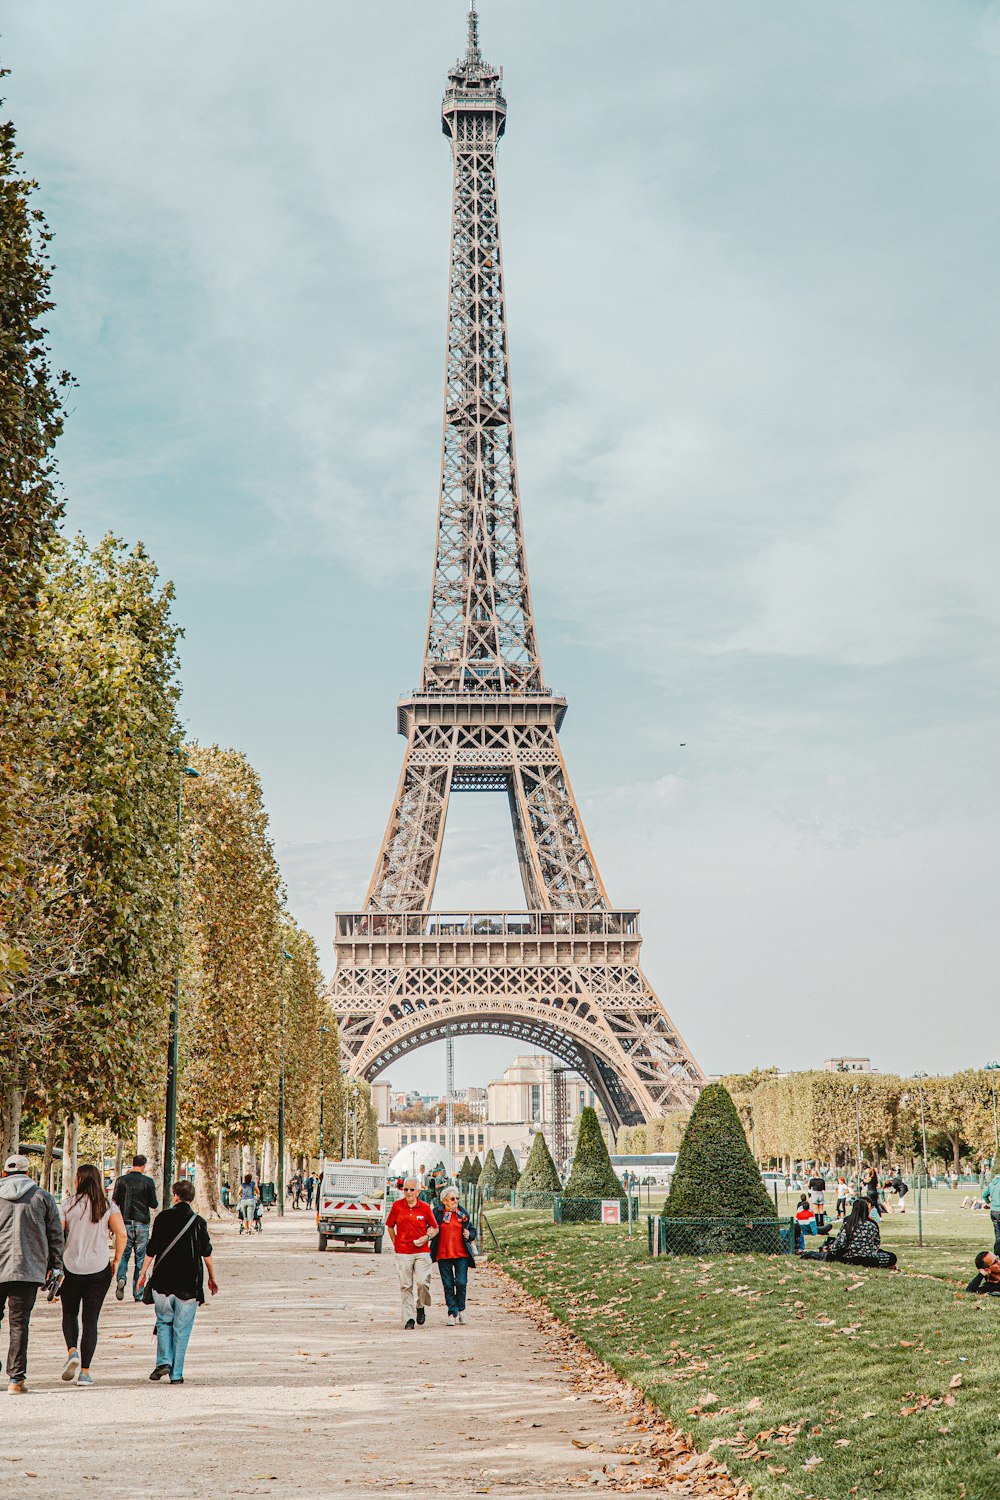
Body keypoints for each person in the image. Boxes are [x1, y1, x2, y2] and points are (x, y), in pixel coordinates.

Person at [136, 1180, 218, 1384]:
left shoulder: (163, 1218)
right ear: (192, 1198)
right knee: (182, 1329)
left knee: (164, 1321)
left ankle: (164, 1360)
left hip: (163, 1280)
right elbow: (206, 1253)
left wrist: (143, 1273)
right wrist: (212, 1277)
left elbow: (152, 1248)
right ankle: (176, 1374)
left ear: (175, 1196)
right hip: (189, 1284)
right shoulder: (198, 1222)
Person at [0, 1154, 64, 1394]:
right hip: (28, 1269)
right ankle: (16, 1379)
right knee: (19, 1324)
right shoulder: (43, 1197)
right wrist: (56, 1265)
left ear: (4, 1172)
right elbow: (56, 1234)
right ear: (29, 1173)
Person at [59, 1163, 127, 1387]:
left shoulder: (68, 1204)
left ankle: (72, 1351)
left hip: (71, 1268)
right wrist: (116, 1260)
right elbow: (122, 1234)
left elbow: (58, 1234)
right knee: (91, 1320)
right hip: (99, 1269)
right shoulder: (108, 1205)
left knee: (69, 1313)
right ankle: (85, 1372)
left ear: (78, 1180)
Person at [385, 1176, 438, 1329]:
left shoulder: (425, 1207)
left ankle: (420, 1306)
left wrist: (426, 1237)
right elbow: (390, 1226)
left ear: (418, 1191)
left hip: (421, 1251)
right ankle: (409, 1318)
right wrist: (396, 1244)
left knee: (423, 1282)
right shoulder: (397, 1206)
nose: (408, 1192)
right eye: (405, 1189)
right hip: (403, 1252)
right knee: (406, 1285)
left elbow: (435, 1228)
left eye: (411, 1189)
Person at [111, 1154, 158, 1302]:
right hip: (142, 1222)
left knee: (124, 1254)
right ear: (143, 1166)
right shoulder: (148, 1181)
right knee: (140, 1258)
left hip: (124, 1222)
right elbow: (154, 1204)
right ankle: (138, 1292)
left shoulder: (121, 1181)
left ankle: (121, 1277)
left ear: (132, 1164)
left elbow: (115, 1201)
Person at [429, 1185, 476, 1325]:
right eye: (452, 1199)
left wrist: (469, 1235)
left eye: (457, 1198)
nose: (456, 1201)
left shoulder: (462, 1213)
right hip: (443, 1254)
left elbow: (472, 1230)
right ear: (444, 1200)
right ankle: (452, 1312)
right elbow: (430, 1228)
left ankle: (461, 1310)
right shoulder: (437, 1212)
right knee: (448, 1284)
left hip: (461, 1254)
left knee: (461, 1283)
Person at [826, 1198, 896, 1268]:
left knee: (832, 1255)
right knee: (891, 1257)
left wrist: (831, 1249)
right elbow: (876, 1243)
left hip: (850, 1257)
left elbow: (840, 1243)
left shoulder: (848, 1224)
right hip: (869, 1259)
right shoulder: (872, 1225)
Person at [980, 1168, 1000, 1252]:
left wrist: (989, 1203)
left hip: (993, 1211)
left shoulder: (992, 1183)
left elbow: (984, 1195)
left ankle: (997, 1254)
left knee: (998, 1236)